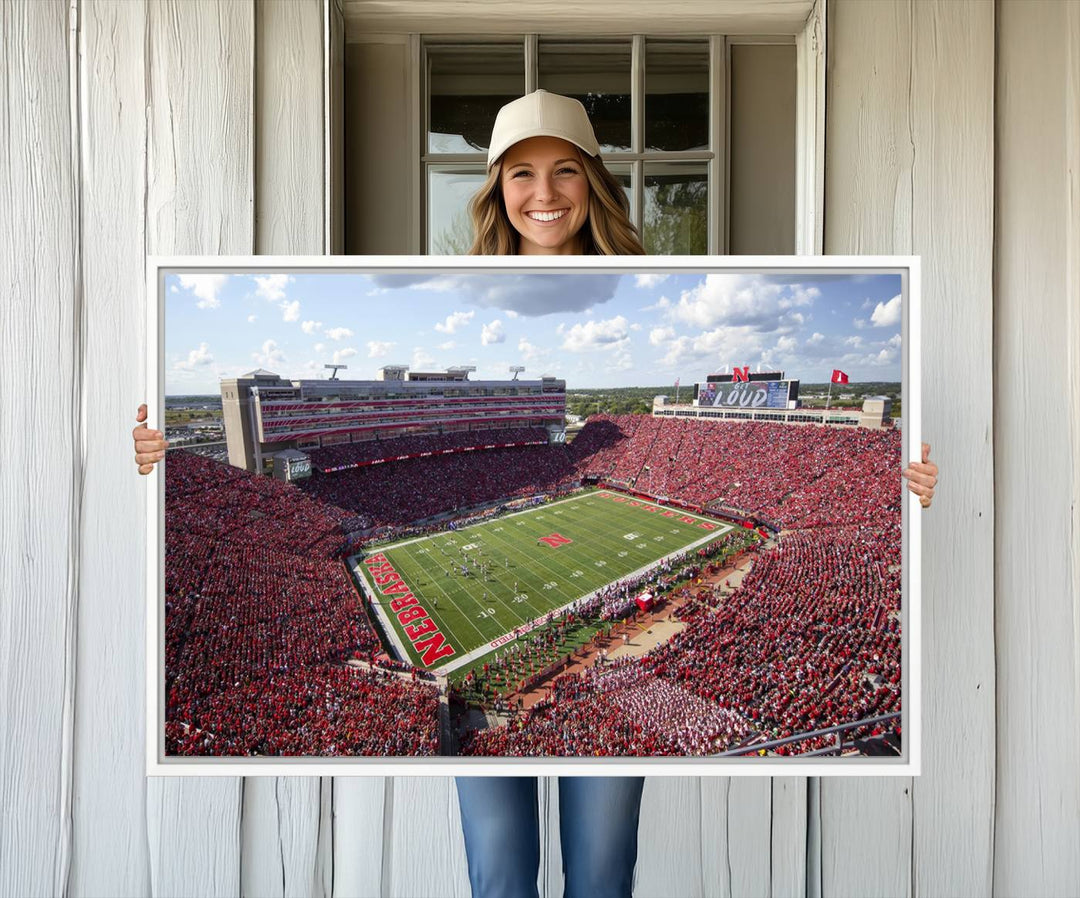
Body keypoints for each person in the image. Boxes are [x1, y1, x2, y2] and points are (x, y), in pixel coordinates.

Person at [132, 89, 939, 898]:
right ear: (494, 189)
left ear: (594, 180)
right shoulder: (449, 273)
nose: (544, 193)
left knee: (599, 872)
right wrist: (153, 462)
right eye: (521, 173)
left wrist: (902, 483)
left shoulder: (663, 270)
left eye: (564, 171)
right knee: (502, 873)